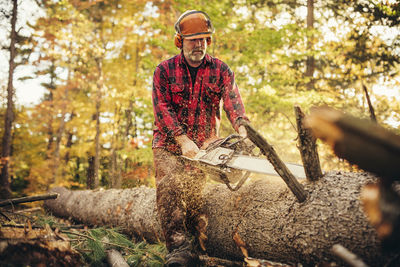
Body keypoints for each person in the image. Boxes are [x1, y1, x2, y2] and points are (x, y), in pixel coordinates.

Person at [152, 10, 250, 267]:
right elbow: (162, 108)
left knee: (198, 195)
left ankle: (204, 242)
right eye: (193, 39)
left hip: (207, 144)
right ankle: (177, 250)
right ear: (180, 41)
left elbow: (234, 104)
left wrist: (243, 130)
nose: (199, 45)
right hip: (170, 144)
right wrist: (182, 140)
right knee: (171, 186)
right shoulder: (164, 70)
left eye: (203, 39)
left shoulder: (221, 70)